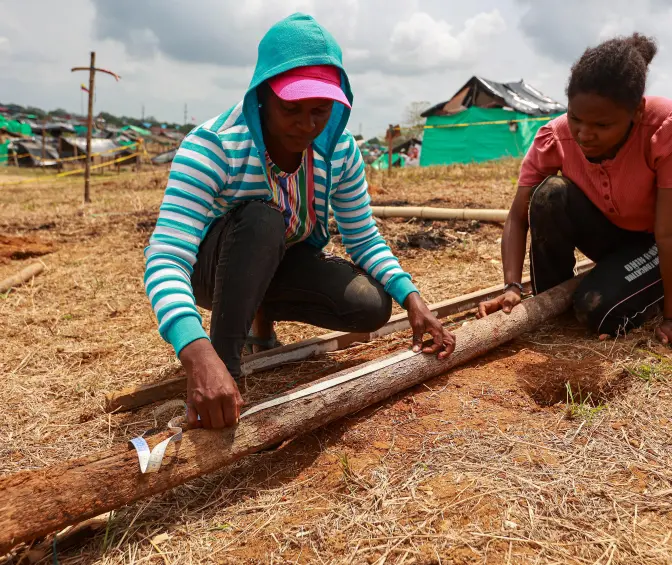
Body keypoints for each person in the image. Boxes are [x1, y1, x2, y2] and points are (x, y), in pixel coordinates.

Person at [144, 13, 455, 430]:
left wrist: (413, 299)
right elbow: (166, 258)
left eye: (321, 110)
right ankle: (227, 364)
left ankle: (257, 318)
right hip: (215, 271)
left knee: (369, 304)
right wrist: (197, 353)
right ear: (262, 96)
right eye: (291, 108)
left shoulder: (339, 153)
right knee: (261, 219)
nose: (307, 125)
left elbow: (363, 239)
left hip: (278, 261)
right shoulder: (215, 147)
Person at [478, 33, 672, 357]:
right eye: (575, 118)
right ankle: (554, 302)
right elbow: (518, 217)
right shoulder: (556, 136)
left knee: (598, 310)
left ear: (637, 112)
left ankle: (639, 292)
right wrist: (511, 287)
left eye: (602, 125)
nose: (584, 134)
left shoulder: (670, 128)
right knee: (549, 195)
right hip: (618, 233)